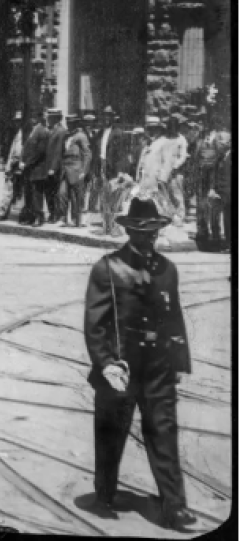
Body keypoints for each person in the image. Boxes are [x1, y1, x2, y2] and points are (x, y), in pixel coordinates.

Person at [82, 198, 196, 532]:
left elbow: (174, 319)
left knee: (163, 434)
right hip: (121, 368)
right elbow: (96, 324)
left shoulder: (167, 269)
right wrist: (105, 364)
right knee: (110, 434)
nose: (147, 238)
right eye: (139, 232)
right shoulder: (107, 268)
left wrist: (177, 363)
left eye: (152, 232)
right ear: (128, 231)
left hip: (158, 368)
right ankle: (104, 493)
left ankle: (174, 507)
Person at [0, 113, 28, 222]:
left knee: (20, 191)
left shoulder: (25, 134)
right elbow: (12, 151)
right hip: (14, 166)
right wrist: (8, 165)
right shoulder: (16, 134)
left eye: (19, 121)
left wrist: (19, 163)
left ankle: (20, 214)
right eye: (16, 121)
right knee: (9, 190)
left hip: (20, 166)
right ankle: (3, 212)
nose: (17, 123)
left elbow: (22, 151)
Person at [21, 111, 51, 227]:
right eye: (32, 117)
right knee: (30, 193)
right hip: (31, 168)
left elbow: (40, 151)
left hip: (38, 168)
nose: (33, 120)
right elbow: (28, 149)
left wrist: (27, 163)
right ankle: (31, 217)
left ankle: (39, 217)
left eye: (36, 117)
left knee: (37, 193)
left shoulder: (42, 131)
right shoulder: (33, 131)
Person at [43, 109, 67, 224]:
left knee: (54, 191)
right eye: (48, 117)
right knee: (48, 191)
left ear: (57, 118)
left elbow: (58, 151)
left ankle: (56, 214)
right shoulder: (49, 130)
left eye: (50, 117)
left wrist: (53, 168)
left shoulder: (61, 131)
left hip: (55, 168)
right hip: (47, 166)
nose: (48, 119)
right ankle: (52, 213)